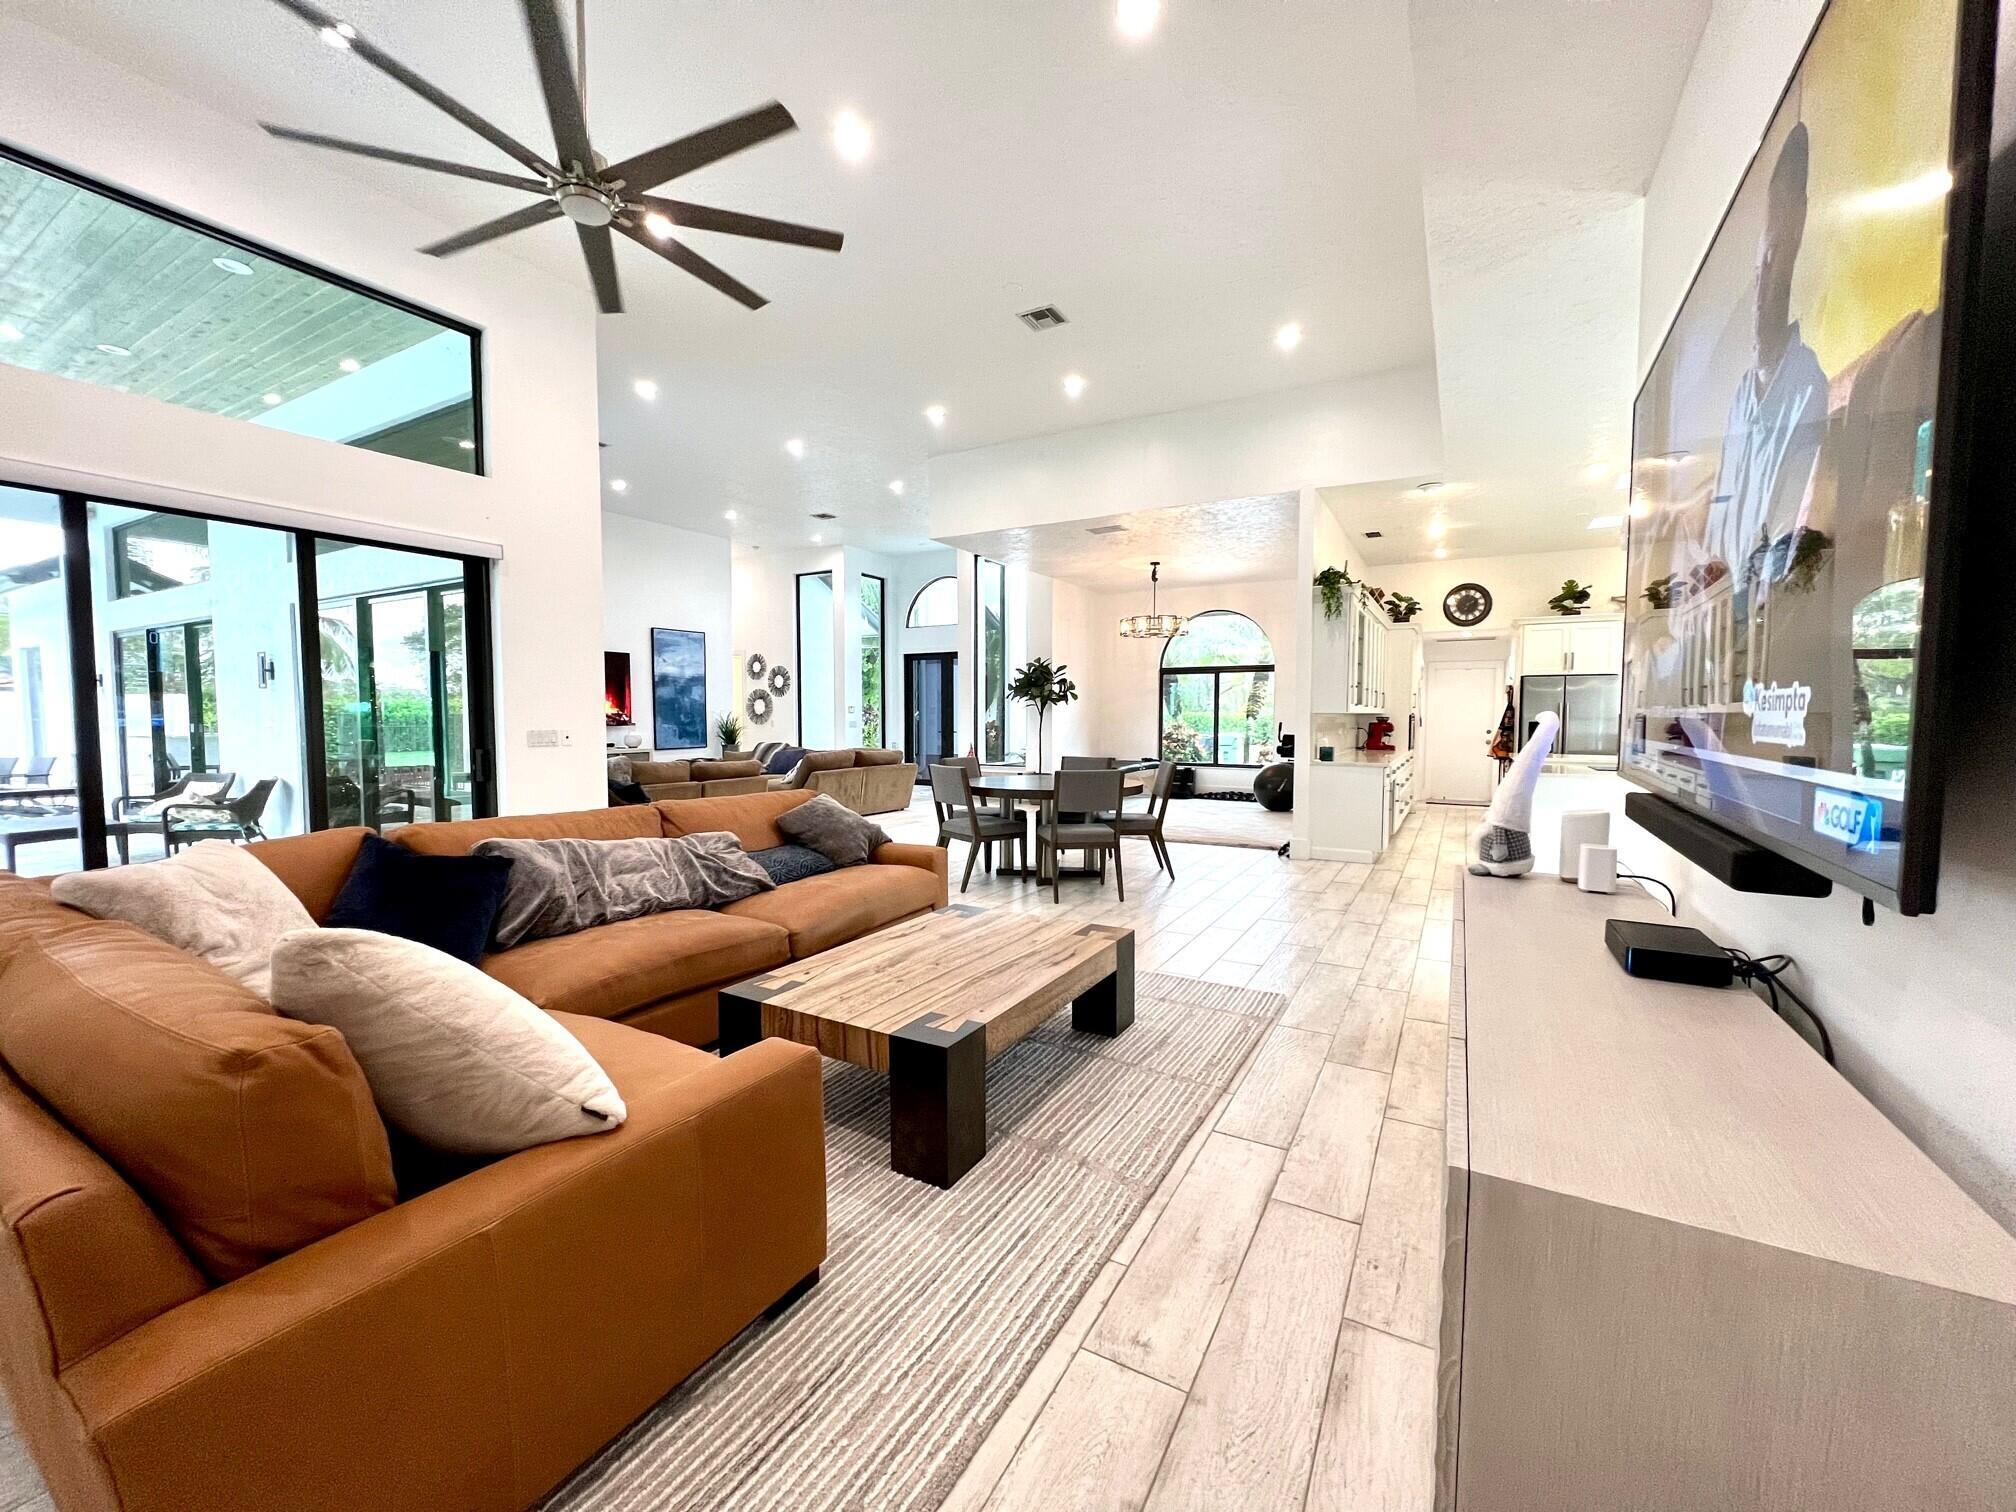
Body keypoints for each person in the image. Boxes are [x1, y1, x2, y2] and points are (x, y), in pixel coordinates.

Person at [1703, 120, 1829, 611]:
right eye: (1760, 265)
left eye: (1774, 260)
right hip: (1731, 605)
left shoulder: (1806, 386)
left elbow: (1792, 516)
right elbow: (1723, 515)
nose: (1763, 283)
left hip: (1769, 604)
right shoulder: (1740, 396)